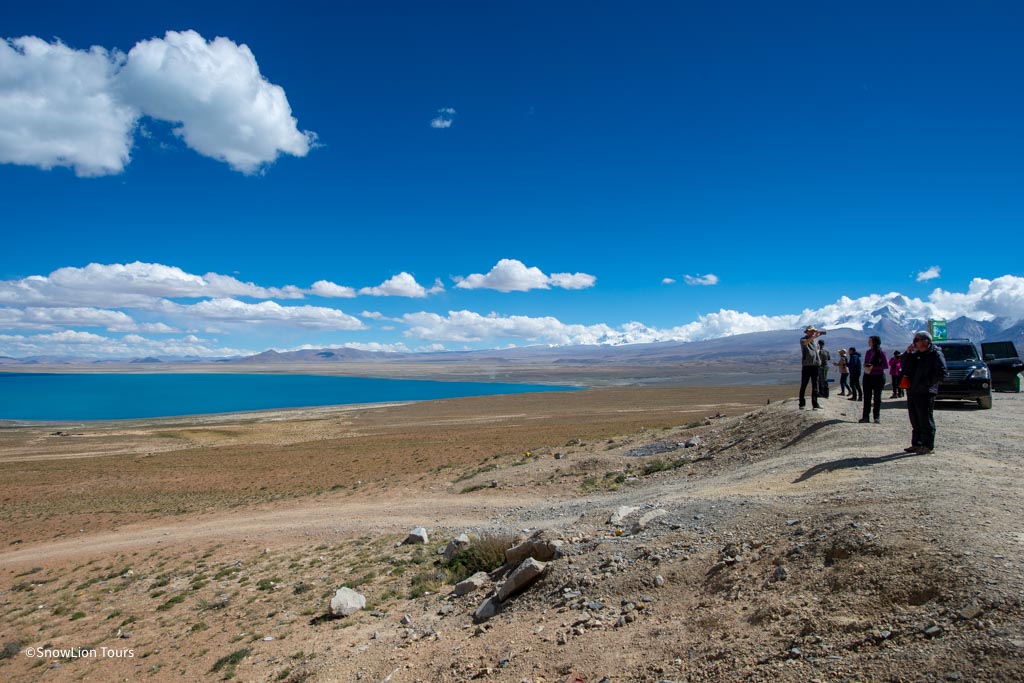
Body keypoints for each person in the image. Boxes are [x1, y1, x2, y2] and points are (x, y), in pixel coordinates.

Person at [899, 331, 948, 454]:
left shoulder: (935, 354)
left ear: (926, 341)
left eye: (917, 340)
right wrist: (908, 354)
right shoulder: (916, 355)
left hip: (926, 391)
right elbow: (905, 367)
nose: (915, 343)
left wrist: (926, 383)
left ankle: (928, 445)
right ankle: (917, 443)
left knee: (925, 419)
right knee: (915, 419)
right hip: (913, 390)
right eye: (914, 341)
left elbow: (942, 373)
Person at [859, 335, 887, 424]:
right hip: (867, 376)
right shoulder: (868, 352)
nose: (868, 342)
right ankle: (865, 417)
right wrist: (866, 366)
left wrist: (874, 367)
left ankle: (876, 417)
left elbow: (885, 366)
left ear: (874, 342)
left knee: (877, 398)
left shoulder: (881, 352)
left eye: (870, 341)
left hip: (878, 377)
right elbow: (865, 362)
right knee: (867, 397)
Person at [798, 325, 824, 410]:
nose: (813, 332)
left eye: (813, 331)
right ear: (807, 332)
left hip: (815, 365)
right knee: (804, 384)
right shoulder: (803, 339)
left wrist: (818, 350)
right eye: (811, 331)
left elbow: (816, 351)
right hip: (807, 365)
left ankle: (815, 404)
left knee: (815, 385)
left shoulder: (815, 341)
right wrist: (814, 337)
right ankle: (802, 404)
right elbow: (805, 343)